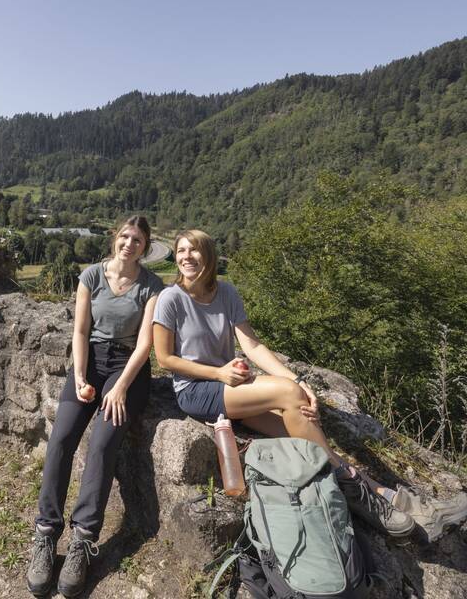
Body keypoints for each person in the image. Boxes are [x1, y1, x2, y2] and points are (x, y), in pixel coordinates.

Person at [152, 229, 414, 538]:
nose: (186, 257)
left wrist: (297, 380)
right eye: (181, 251)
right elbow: (165, 359)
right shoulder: (171, 299)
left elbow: (252, 346)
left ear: (208, 255)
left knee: (303, 429)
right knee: (288, 395)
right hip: (196, 391)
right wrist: (220, 374)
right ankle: (360, 492)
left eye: (193, 250)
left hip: (232, 389)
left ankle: (373, 490)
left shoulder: (227, 292)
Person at [26, 216, 164, 597]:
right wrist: (82, 377)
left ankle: (82, 542)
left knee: (102, 445)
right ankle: (45, 535)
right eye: (124, 237)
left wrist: (119, 388)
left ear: (145, 245)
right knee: (61, 439)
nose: (129, 244)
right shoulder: (90, 276)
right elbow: (81, 331)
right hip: (90, 363)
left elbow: (144, 346)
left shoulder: (152, 286)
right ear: (114, 238)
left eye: (137, 240)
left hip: (128, 370)